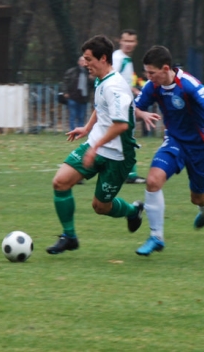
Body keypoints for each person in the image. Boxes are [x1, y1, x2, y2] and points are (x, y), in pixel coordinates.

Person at [46, 35, 144, 255]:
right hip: (97, 144)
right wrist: (88, 128)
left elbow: (121, 125)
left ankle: (132, 210)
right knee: (60, 182)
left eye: (88, 59)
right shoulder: (101, 80)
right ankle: (69, 236)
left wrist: (94, 147)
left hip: (118, 156)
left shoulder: (115, 87)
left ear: (102, 58)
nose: (85, 63)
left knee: (101, 207)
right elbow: (101, 108)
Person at [133, 45, 204, 256]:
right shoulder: (152, 86)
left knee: (197, 197)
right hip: (174, 142)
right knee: (153, 180)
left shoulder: (188, 84)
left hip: (202, 147)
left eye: (152, 73)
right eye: (147, 72)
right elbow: (135, 107)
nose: (148, 77)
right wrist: (142, 114)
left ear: (166, 68)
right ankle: (156, 237)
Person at [112, 28, 146, 184]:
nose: (128, 44)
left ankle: (78, 168)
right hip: (118, 105)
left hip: (123, 104)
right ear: (120, 41)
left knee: (114, 138)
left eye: (131, 41)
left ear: (136, 43)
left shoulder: (126, 59)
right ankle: (130, 174)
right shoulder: (119, 59)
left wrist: (135, 91)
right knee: (126, 138)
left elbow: (123, 82)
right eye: (125, 40)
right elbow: (110, 79)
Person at [61, 56, 91, 130]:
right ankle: (72, 131)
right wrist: (65, 92)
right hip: (72, 97)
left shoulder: (89, 72)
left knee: (81, 116)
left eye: (84, 61)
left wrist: (91, 78)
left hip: (83, 98)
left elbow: (92, 85)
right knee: (72, 115)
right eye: (81, 61)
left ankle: (79, 131)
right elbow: (65, 82)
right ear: (78, 62)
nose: (83, 63)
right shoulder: (72, 71)